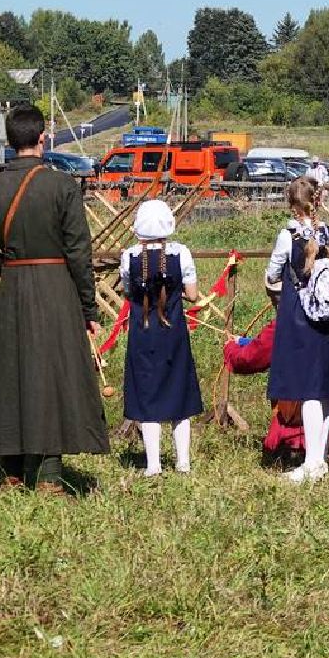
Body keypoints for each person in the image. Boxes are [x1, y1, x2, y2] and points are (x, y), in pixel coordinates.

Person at [0, 103, 107, 494]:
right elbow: (79, 254)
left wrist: (8, 269)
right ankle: (49, 477)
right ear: (43, 138)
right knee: (51, 377)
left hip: (13, 290)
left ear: (9, 141)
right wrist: (89, 308)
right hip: (56, 290)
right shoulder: (63, 187)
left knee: (11, 375)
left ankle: (12, 475)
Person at [268, 177, 329, 483]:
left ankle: (313, 461)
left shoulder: (287, 237)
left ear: (291, 204)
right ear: (319, 201)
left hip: (301, 317)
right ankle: (321, 455)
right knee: (325, 389)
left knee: (310, 391)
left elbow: (273, 273)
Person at [120, 199, 202, 477]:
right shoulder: (182, 253)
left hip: (143, 336)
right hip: (174, 334)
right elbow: (192, 294)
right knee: (179, 394)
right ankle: (184, 463)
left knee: (147, 397)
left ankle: (153, 465)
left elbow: (128, 291)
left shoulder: (129, 256)